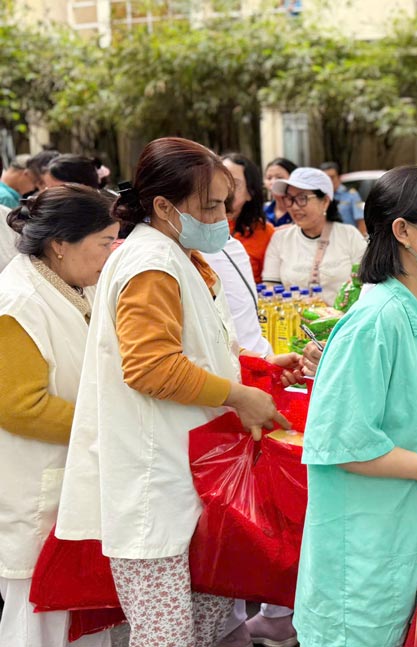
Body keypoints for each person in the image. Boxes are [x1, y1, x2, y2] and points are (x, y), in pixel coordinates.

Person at [55, 137, 301, 647]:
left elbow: (198, 348)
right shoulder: (151, 263)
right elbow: (151, 366)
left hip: (189, 479)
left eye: (224, 205)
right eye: (209, 206)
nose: (220, 218)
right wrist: (239, 396)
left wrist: (256, 368)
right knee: (165, 636)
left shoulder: (177, 256)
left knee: (205, 626)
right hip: (153, 484)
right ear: (165, 206)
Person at [292, 165, 417, 647]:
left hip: (415, 544)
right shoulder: (374, 322)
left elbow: (415, 402)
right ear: (403, 231)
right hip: (366, 565)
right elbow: (339, 441)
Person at [0, 185, 118, 647]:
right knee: (37, 624)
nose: (111, 254)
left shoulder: (73, 284)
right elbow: (20, 407)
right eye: (105, 242)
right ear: (61, 243)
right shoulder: (18, 303)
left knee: (78, 619)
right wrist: (110, 424)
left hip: (74, 478)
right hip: (36, 487)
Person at [262, 167, 367, 303]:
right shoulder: (280, 239)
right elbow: (270, 288)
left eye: (302, 198)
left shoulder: (349, 236)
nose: (294, 207)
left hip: (343, 316)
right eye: (289, 199)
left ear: (325, 202)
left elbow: (367, 286)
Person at [223, 153, 275, 282]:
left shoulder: (266, 234)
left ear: (250, 193)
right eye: (220, 180)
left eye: (234, 183)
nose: (224, 189)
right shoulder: (194, 226)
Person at [321, 161, 366, 236]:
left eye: (332, 177)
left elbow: (361, 221)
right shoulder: (320, 197)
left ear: (339, 177)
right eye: (326, 178)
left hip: (349, 238)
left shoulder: (351, 195)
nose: (329, 181)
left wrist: (361, 239)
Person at [263, 157, 297, 226]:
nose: (273, 182)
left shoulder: (301, 210)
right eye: (269, 178)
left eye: (279, 177)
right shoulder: (262, 211)